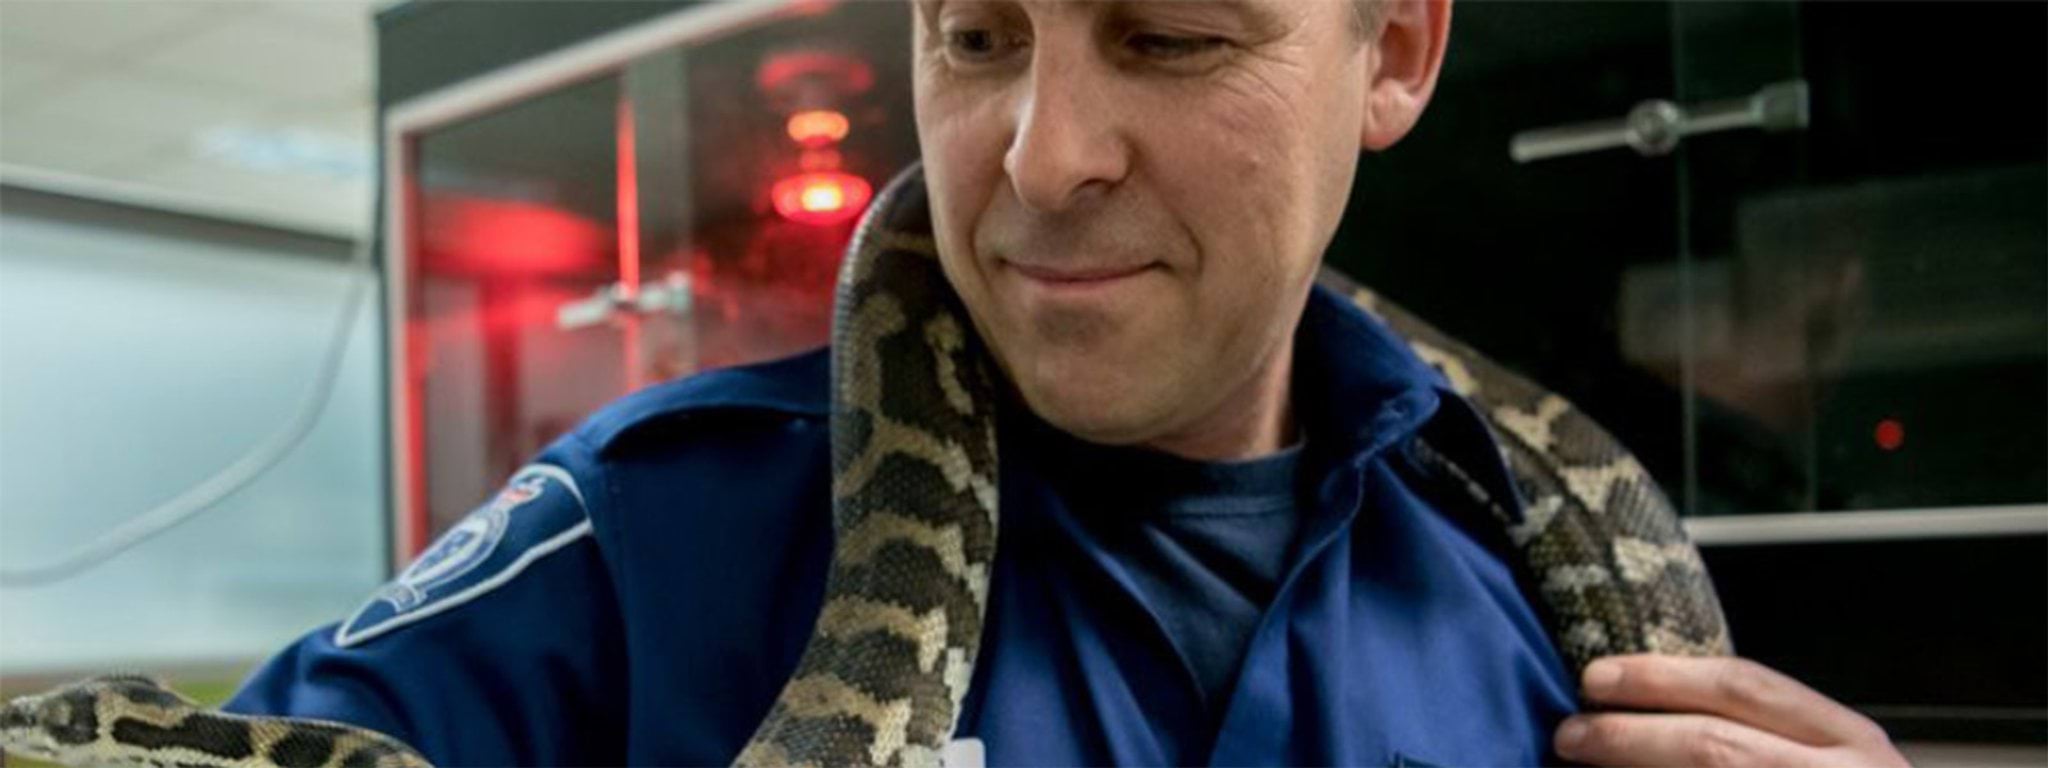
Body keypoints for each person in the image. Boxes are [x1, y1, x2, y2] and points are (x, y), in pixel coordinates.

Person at [226, 1, 1910, 765]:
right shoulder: (630, 543)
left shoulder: (1533, 586)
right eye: (977, 38)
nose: (1040, 155)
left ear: (1391, 53)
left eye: (1170, 39)